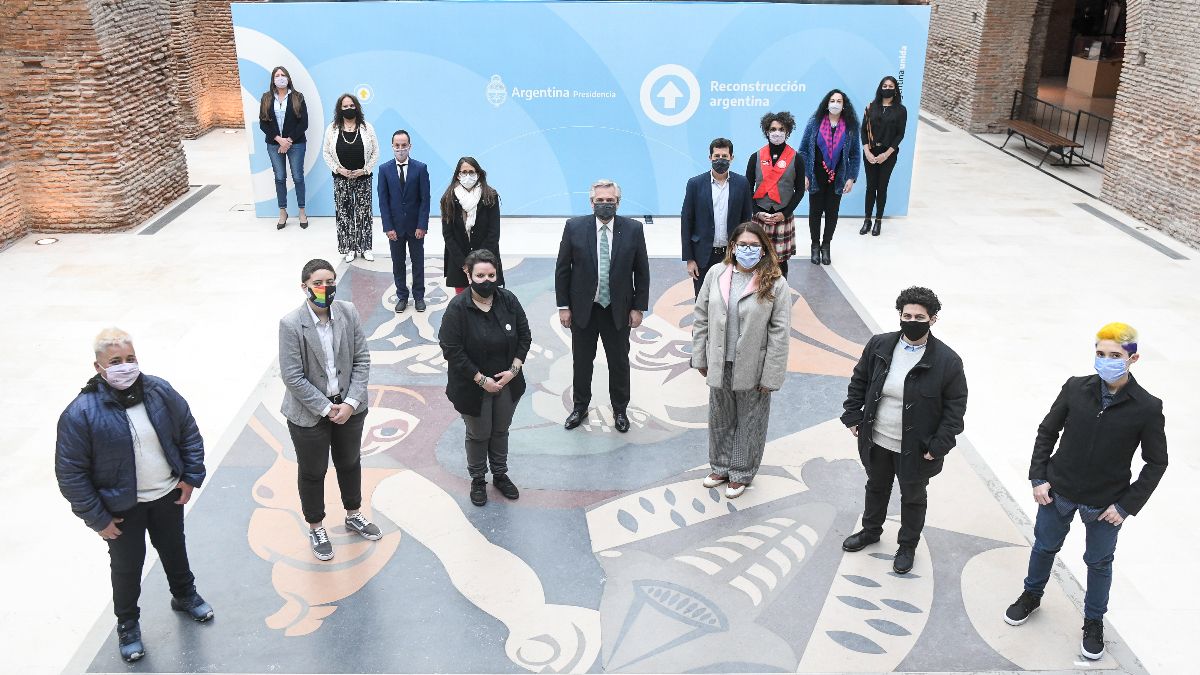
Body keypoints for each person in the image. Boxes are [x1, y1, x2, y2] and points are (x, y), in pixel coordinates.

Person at [1004, 322, 1167, 662]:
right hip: (1058, 490)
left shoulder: (1147, 407)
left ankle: (1093, 623)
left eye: (1115, 355)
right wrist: (1038, 477)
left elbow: (1156, 462)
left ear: (1132, 358)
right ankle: (1031, 596)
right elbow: (1047, 431)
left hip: (1105, 503)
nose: (1106, 360)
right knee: (1045, 546)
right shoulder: (1075, 388)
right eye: (1100, 354)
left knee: (1099, 562)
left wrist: (1125, 506)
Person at [55, 328, 213, 663]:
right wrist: (97, 518)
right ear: (99, 367)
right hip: (122, 509)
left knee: (174, 548)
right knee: (127, 567)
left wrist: (190, 478)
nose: (125, 367)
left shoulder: (159, 392)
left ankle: (184, 595)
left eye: (130, 359)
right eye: (115, 361)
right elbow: (71, 473)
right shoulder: (81, 413)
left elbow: (188, 432)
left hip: (167, 495)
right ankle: (128, 625)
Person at [839, 286, 967, 574]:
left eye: (919, 317)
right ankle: (871, 531)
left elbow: (955, 409)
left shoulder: (947, 361)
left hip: (917, 448)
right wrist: (853, 415)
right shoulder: (880, 345)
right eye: (906, 315)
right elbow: (859, 380)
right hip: (878, 438)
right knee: (876, 486)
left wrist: (938, 446)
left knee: (912, 496)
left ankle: (907, 545)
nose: (912, 321)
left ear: (932, 319)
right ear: (899, 315)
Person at [278, 258, 381, 561]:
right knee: (313, 471)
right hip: (309, 413)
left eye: (330, 282)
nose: (325, 288)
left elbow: (362, 359)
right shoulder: (291, 324)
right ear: (304, 287)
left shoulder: (348, 312)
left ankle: (353, 513)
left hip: (349, 407)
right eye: (318, 283)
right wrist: (325, 408)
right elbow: (292, 376)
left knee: (350, 462)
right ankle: (316, 526)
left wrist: (349, 403)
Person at [691, 222, 791, 498]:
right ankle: (720, 466)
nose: (747, 250)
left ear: (763, 249)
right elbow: (700, 316)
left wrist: (771, 375)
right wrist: (700, 355)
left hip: (754, 365)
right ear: (732, 247)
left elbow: (780, 333)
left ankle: (742, 472)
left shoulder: (775, 282)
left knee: (751, 420)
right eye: (742, 245)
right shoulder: (716, 273)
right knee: (719, 416)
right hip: (720, 361)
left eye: (754, 246)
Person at [555, 179, 650, 433]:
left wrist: (638, 307)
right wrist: (564, 306)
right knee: (582, 362)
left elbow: (641, 272)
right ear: (591, 202)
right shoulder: (574, 227)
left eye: (610, 201)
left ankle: (620, 410)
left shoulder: (633, 229)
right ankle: (580, 407)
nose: (605, 205)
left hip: (618, 311)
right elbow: (563, 269)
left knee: (618, 362)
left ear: (618, 202)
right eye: (600, 201)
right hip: (584, 310)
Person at [439, 249, 531, 506]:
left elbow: (525, 336)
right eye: (480, 275)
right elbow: (451, 349)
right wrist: (481, 380)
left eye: (492, 274)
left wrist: (513, 371)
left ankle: (500, 475)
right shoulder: (458, 308)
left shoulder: (508, 300)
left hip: (507, 385)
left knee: (500, 431)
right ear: (468, 275)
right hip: (471, 386)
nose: (487, 280)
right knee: (479, 434)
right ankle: (478, 479)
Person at [681, 138, 753, 296]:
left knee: (731, 299)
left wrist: (744, 254)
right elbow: (687, 221)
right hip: (702, 256)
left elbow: (747, 220)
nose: (720, 160)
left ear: (731, 158)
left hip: (732, 255)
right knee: (703, 300)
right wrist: (689, 259)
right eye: (717, 156)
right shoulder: (695, 184)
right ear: (710, 158)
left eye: (725, 156)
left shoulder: (742, 183)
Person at [798, 90, 861, 266]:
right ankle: (815, 245)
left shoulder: (850, 126)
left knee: (832, 213)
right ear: (827, 103)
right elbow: (803, 149)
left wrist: (851, 177)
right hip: (816, 175)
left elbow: (855, 155)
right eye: (832, 100)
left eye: (839, 101)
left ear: (844, 104)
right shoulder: (815, 122)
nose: (835, 103)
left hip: (838, 177)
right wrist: (804, 174)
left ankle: (826, 246)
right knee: (815, 212)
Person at [377, 129, 431, 312]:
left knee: (418, 262)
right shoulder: (384, 170)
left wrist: (422, 225)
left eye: (404, 145)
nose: (400, 149)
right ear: (392, 146)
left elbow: (425, 199)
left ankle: (419, 296)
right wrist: (388, 227)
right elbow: (383, 201)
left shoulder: (420, 168)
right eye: (397, 146)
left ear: (410, 146)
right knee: (398, 263)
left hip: (416, 227)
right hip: (395, 228)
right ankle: (402, 295)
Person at [322, 94, 379, 263]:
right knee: (345, 214)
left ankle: (365, 247)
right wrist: (338, 169)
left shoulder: (367, 127)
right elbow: (326, 153)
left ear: (357, 107)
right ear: (340, 109)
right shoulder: (332, 128)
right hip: (341, 179)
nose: (348, 109)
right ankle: (349, 248)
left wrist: (365, 169)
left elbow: (376, 151)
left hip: (363, 177)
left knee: (364, 213)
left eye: (351, 106)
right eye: (345, 106)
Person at [746, 112, 802, 277]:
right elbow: (747, 189)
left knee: (780, 263)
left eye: (781, 129)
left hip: (782, 216)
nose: (777, 133)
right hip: (760, 216)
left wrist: (784, 214)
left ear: (787, 131)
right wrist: (756, 212)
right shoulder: (755, 157)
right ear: (767, 131)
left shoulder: (797, 158)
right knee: (755, 260)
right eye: (773, 129)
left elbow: (799, 191)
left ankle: (780, 296)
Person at [441, 157, 502, 295]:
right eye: (464, 172)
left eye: (471, 172)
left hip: (486, 264)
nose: (468, 176)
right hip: (459, 264)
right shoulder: (448, 199)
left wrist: (479, 262)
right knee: (463, 307)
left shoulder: (490, 196)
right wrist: (465, 264)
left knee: (488, 304)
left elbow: (494, 233)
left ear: (478, 174)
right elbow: (448, 235)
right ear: (458, 175)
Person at [259, 66, 309, 230]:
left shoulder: (297, 97)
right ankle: (283, 211)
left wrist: (289, 140)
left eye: (283, 75)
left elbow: (304, 123)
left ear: (288, 78)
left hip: (296, 143)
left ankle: (302, 211)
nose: (280, 77)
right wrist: (279, 140)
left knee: (298, 177)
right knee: (280, 177)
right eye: (277, 75)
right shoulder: (266, 98)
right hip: (274, 144)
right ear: (273, 79)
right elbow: (263, 123)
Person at [860, 76, 907, 237]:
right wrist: (866, 151)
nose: (887, 88)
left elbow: (900, 135)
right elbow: (863, 131)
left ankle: (878, 220)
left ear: (895, 89)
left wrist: (886, 154)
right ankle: (867, 220)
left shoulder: (901, 110)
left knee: (882, 187)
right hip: (870, 153)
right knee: (870, 187)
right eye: (885, 85)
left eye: (890, 86)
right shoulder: (870, 107)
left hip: (889, 154)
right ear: (880, 88)